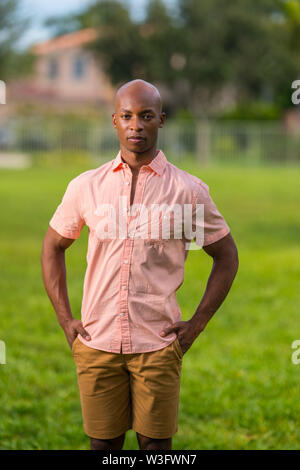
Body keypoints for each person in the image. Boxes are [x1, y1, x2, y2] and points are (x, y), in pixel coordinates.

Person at [41, 79, 239, 450]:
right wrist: (65, 320)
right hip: (97, 343)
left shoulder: (189, 190)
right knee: (103, 447)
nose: (136, 125)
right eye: (127, 116)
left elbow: (226, 257)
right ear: (114, 120)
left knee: (155, 448)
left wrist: (196, 325)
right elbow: (53, 246)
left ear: (161, 120)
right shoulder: (85, 186)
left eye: (146, 116)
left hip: (158, 345)